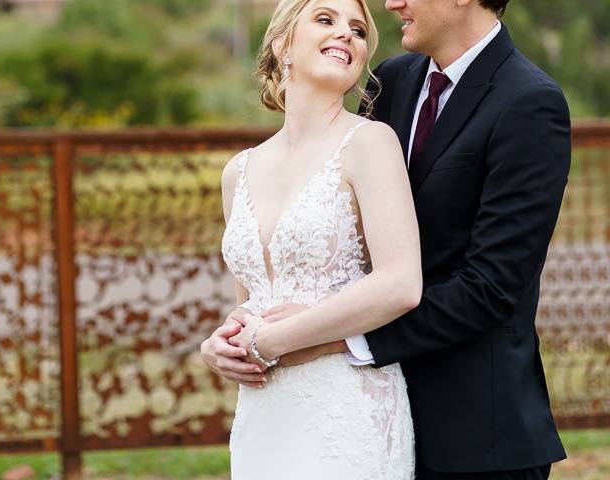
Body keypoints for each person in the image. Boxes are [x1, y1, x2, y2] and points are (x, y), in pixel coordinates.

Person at [205, 0, 572, 479]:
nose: (391, 3)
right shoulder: (393, 80)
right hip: (348, 408)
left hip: (475, 433)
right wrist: (229, 340)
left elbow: (491, 287)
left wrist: (328, 338)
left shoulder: (529, 101)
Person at [201, 0, 421, 477]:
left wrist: (273, 340)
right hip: (264, 413)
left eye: (359, 31)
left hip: (346, 410)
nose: (347, 34)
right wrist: (219, 345)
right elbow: (252, 304)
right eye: (326, 19)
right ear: (283, 44)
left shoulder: (370, 143)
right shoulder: (239, 171)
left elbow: (401, 284)